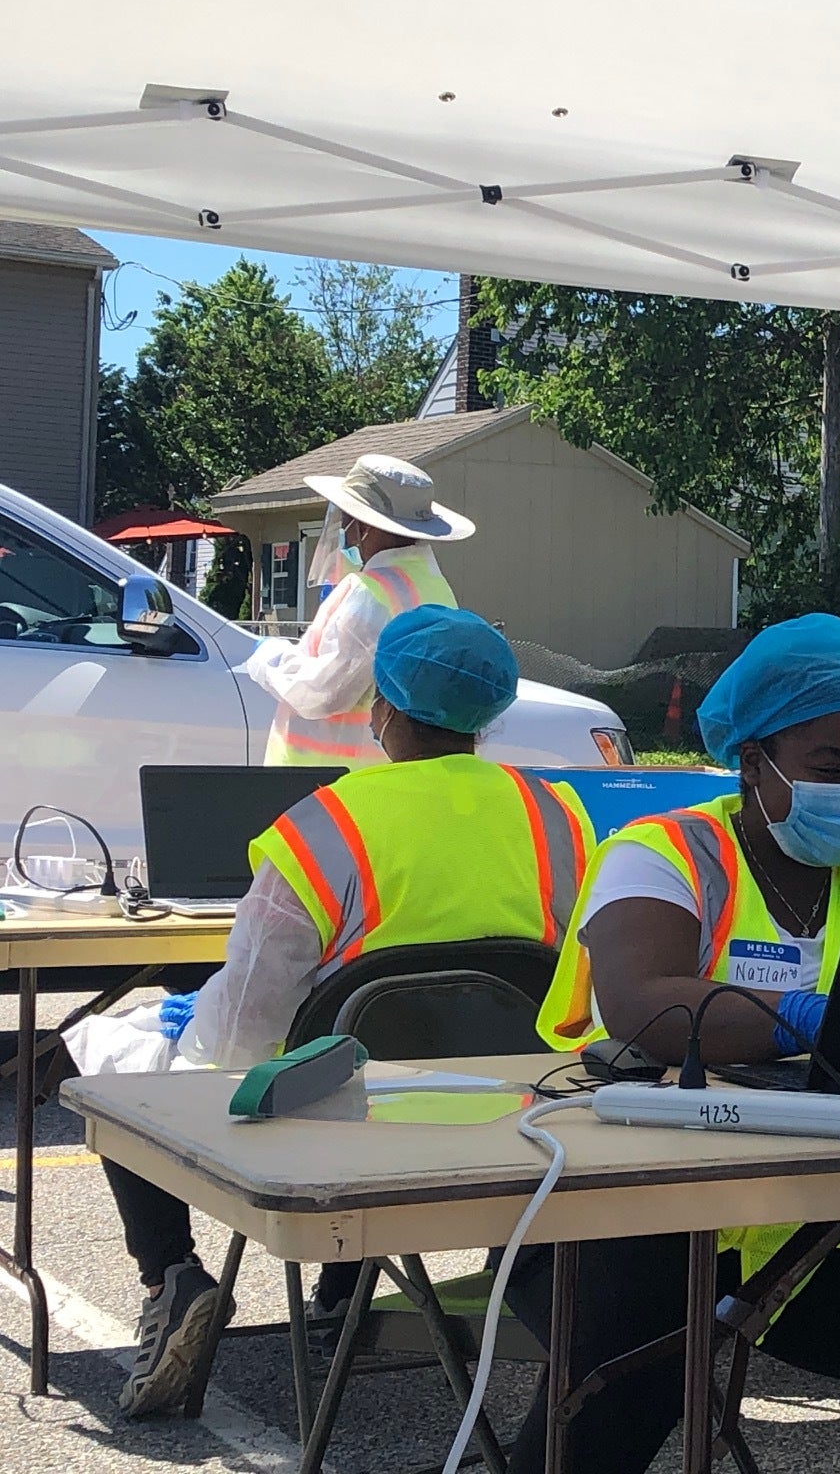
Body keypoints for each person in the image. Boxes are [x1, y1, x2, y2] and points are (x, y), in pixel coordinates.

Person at [523, 612, 840, 1474]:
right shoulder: (663, 852)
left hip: (813, 1224)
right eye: (831, 768)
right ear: (753, 764)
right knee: (616, 1404)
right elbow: (647, 1006)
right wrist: (821, 1014)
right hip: (639, 1213)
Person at [99, 606, 588, 1418]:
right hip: (517, 1112)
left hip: (345, 1123)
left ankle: (173, 1276)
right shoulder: (560, 816)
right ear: (489, 714)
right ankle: (345, 1293)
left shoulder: (325, 824)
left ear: (383, 708)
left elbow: (244, 1027)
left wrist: (178, 1020)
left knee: (110, 1066)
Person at [244, 453, 471, 766]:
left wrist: (271, 659)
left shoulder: (369, 595)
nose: (344, 530)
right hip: (379, 768)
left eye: (347, 519)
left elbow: (325, 691)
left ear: (365, 525)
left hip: (327, 775)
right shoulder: (433, 585)